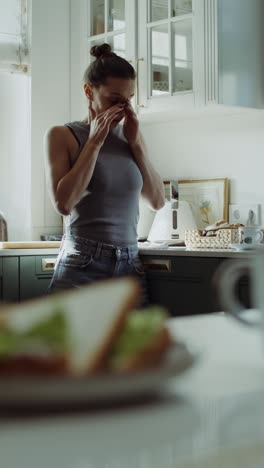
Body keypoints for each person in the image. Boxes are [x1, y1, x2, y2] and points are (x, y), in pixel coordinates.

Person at [44, 43, 165, 301]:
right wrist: (95, 142)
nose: (123, 109)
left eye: (128, 101)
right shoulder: (62, 135)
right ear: (89, 91)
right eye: (114, 100)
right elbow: (64, 204)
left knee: (135, 342)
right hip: (82, 265)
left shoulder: (131, 137)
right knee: (75, 343)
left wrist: (136, 145)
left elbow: (157, 201)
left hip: (129, 264)